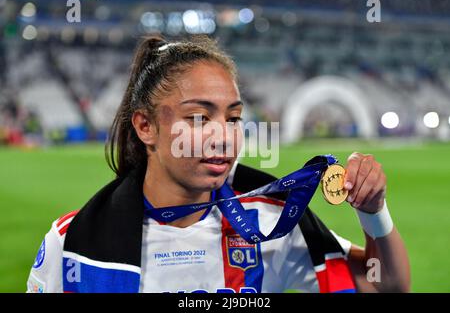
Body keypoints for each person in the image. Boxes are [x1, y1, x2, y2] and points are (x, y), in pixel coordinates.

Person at [26, 35, 410, 293]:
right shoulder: (71, 242)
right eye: (198, 118)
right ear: (145, 126)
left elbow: (383, 286)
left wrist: (374, 212)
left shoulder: (268, 220)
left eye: (233, 118)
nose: (223, 135)